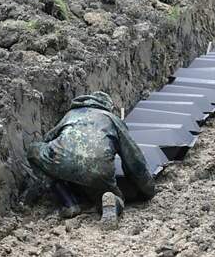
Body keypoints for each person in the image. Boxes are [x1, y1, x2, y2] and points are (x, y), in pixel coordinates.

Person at [26, 91, 155, 229]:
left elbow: (47, 139)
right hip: (98, 171)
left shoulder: (70, 115)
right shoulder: (111, 119)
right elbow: (134, 160)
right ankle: (113, 201)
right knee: (107, 194)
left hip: (60, 160)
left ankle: (68, 201)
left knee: (33, 150)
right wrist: (147, 190)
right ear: (107, 106)